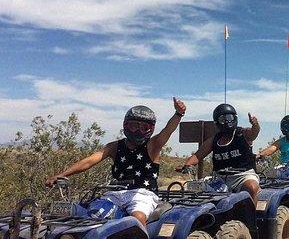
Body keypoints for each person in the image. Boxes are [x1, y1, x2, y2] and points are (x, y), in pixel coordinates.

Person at [46, 97, 186, 226]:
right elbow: (89, 161)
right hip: (116, 193)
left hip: (143, 194)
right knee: (92, 214)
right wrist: (63, 174)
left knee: (138, 218)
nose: (138, 130)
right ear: (125, 125)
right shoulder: (114, 147)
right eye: (133, 126)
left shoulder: (152, 145)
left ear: (151, 129)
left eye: (144, 127)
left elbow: (168, 131)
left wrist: (178, 114)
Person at [178, 103, 260, 204]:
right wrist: (187, 165)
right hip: (219, 178)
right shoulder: (214, 140)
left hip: (242, 176)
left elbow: (253, 133)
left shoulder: (242, 133)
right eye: (223, 119)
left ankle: (250, 218)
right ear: (217, 122)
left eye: (230, 117)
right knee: (193, 190)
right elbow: (198, 155)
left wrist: (255, 125)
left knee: (251, 187)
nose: (227, 121)